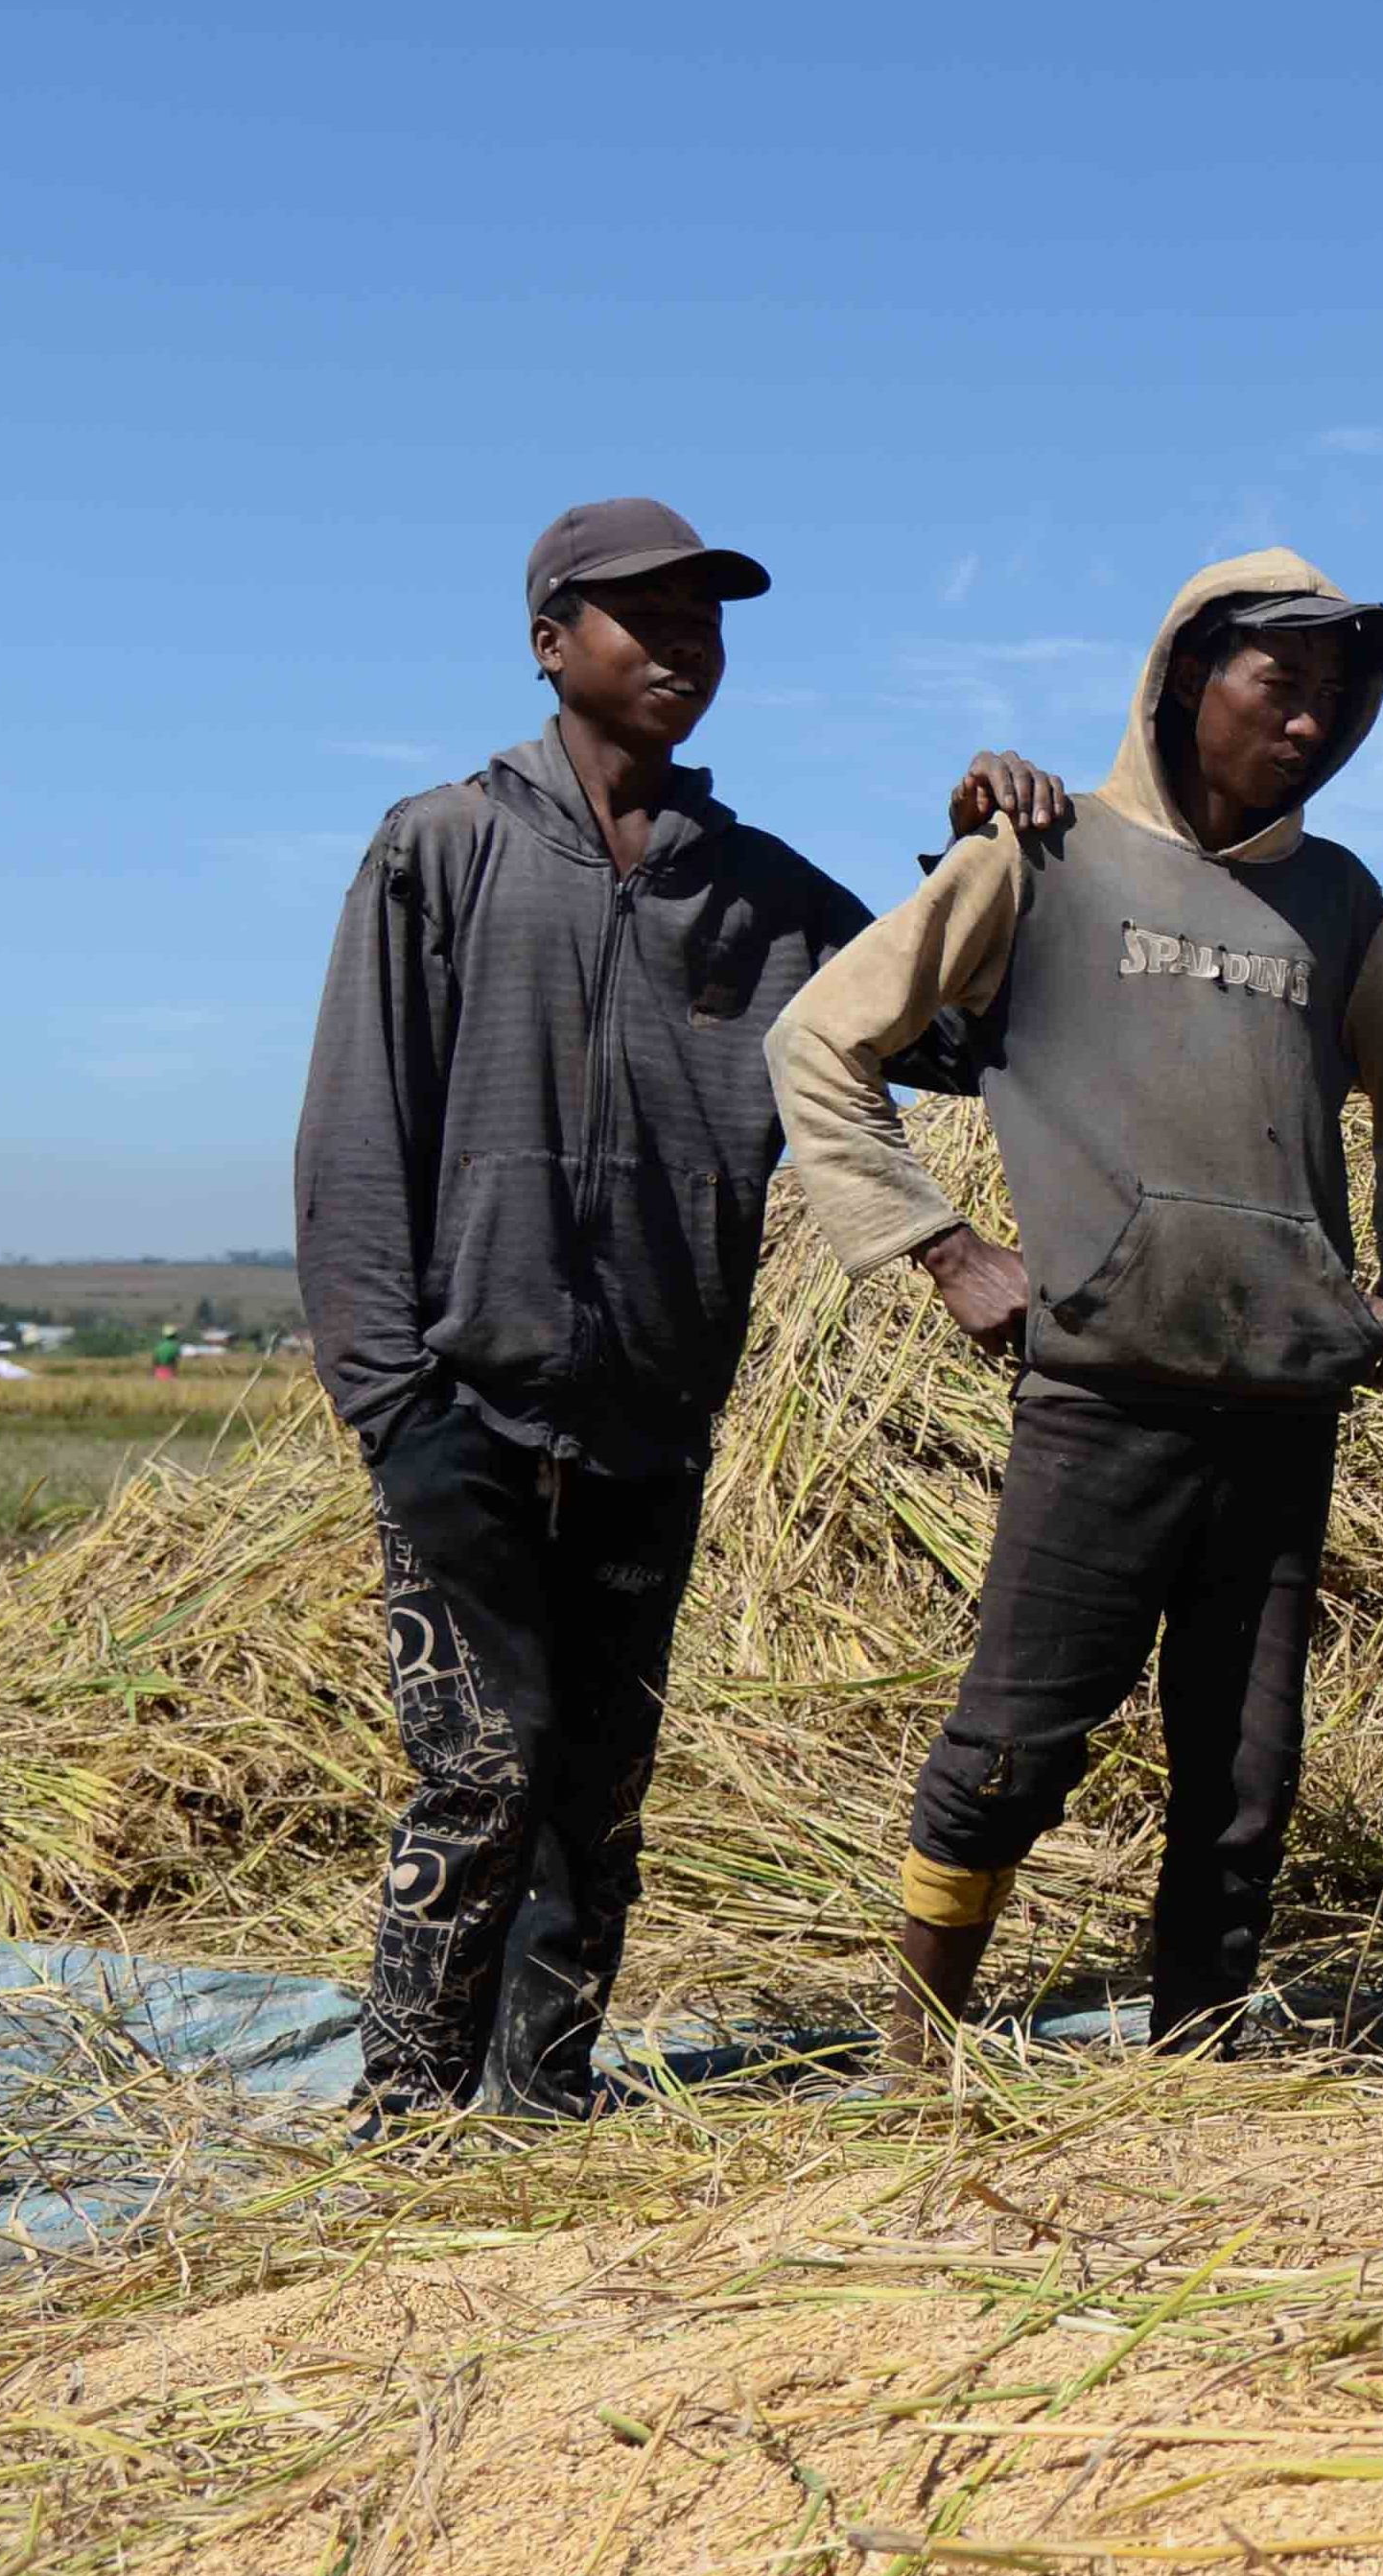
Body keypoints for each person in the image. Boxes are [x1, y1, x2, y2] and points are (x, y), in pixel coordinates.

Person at [295, 499, 1059, 2118]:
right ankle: (406, 2110)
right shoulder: (444, 849)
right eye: (641, 616)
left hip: (651, 1406)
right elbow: (357, 1142)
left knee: (598, 1783)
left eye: (706, 618)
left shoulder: (764, 895)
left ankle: (545, 2097)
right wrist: (390, 1405)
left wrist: (987, 860)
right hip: (462, 1403)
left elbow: (957, 1039)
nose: (683, 646)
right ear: (551, 640)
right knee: (484, 1764)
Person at [773, 551, 1383, 2059]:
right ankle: (913, 2050)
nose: (1307, 725)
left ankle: (1195, 2062)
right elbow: (820, 1038)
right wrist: (943, 1249)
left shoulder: (1337, 900)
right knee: (1014, 1744)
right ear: (1179, 683)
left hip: (1284, 1403)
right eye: (1276, 687)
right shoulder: (1042, 853)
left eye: (1334, 701)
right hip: (1102, 1392)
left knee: (1243, 1775)